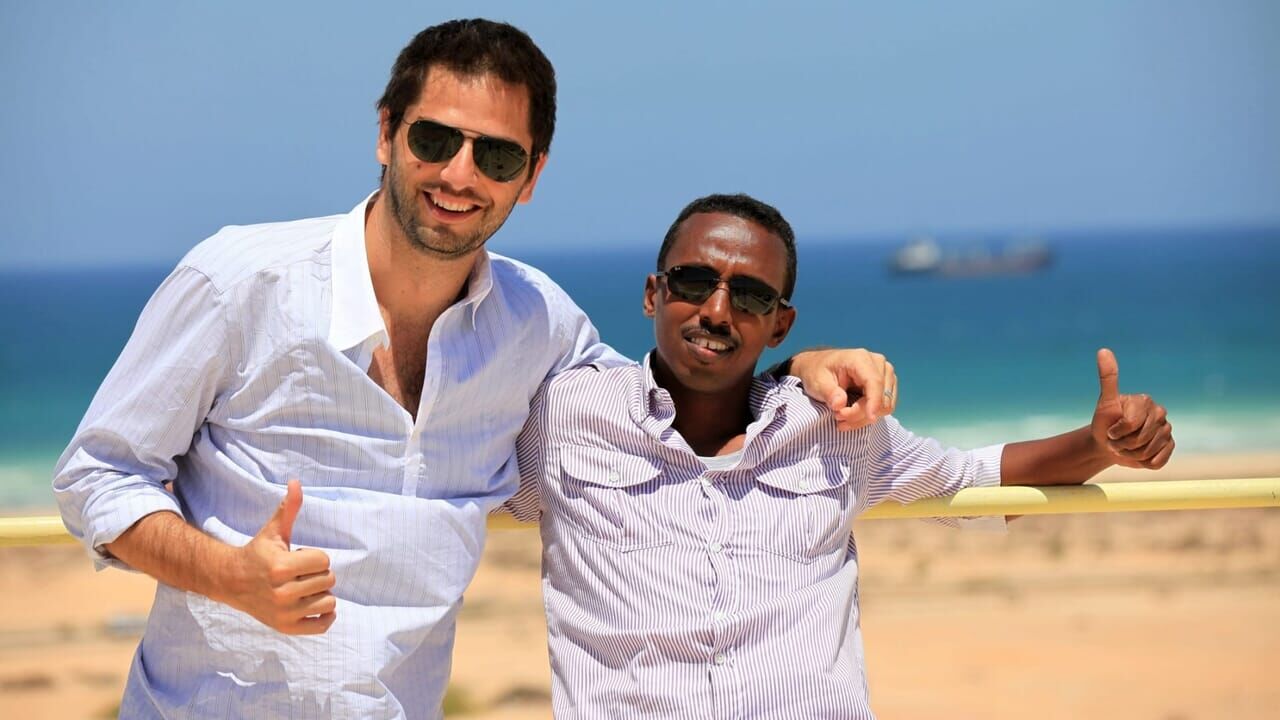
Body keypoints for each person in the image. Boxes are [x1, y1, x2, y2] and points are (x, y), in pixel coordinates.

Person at [52, 19, 900, 719]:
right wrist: (228, 576)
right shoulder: (241, 281)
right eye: (434, 139)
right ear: (386, 133)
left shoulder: (537, 324)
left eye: (496, 157)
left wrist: (799, 364)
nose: (459, 175)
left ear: (530, 177)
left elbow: (674, 394)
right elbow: (97, 476)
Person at [506, 193, 1175, 718]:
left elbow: (977, 486)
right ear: (654, 293)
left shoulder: (835, 428)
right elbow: (459, 471)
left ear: (780, 324)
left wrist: (1098, 446)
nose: (717, 310)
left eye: (750, 296)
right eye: (694, 281)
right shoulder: (566, 418)